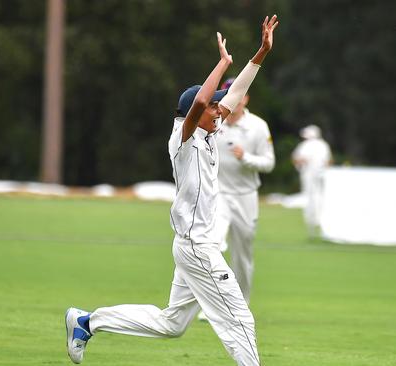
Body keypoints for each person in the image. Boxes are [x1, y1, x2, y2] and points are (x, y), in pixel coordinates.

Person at [64, 15, 279, 366]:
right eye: (215, 107)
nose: (222, 111)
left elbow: (234, 93)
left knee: (172, 323)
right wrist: (223, 62)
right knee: (240, 319)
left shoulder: (209, 128)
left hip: (192, 244)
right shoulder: (184, 134)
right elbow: (198, 105)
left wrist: (260, 53)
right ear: (195, 111)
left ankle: (88, 321)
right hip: (197, 247)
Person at [212, 78, 275, 305]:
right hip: (217, 195)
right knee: (213, 245)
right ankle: (213, 302)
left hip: (245, 196)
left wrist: (246, 158)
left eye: (238, 95)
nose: (234, 99)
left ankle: (241, 304)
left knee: (242, 256)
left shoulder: (258, 126)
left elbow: (268, 163)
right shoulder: (214, 121)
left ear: (245, 98)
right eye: (229, 95)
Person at [292, 125, 332, 238]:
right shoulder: (323, 145)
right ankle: (316, 219)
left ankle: (313, 219)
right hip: (319, 175)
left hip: (310, 175)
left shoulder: (305, 145)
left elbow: (298, 159)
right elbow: (328, 161)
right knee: (318, 196)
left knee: (311, 196)